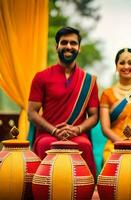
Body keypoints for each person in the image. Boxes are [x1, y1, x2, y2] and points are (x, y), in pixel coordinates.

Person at [28, 27, 99, 177]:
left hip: (76, 134)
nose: (68, 46)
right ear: (57, 47)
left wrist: (78, 129)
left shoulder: (89, 81)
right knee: (45, 144)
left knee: (84, 145)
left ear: (79, 48)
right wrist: (54, 130)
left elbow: (94, 116)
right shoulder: (41, 77)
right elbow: (31, 113)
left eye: (73, 43)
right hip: (48, 133)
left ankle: (84, 189)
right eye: (64, 42)